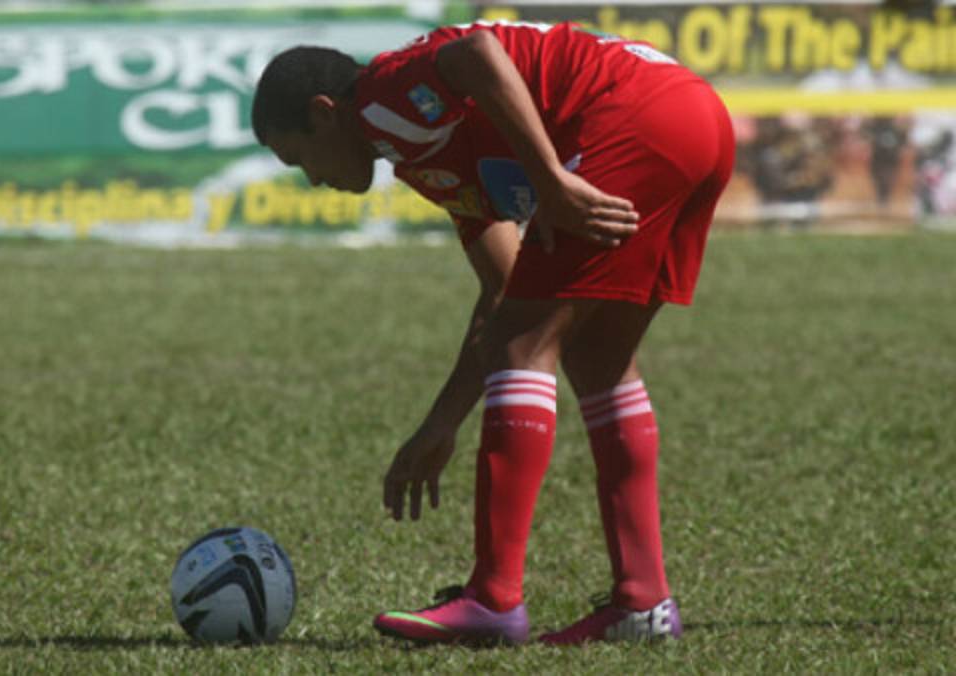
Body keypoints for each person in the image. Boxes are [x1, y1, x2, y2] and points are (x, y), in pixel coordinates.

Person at [252, 20, 734, 645]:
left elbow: (479, 55)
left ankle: (494, 599)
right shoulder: (425, 158)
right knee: (596, 355)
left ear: (324, 113)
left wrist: (553, 183)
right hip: (696, 118)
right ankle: (641, 602)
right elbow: (503, 294)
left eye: (299, 158)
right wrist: (442, 422)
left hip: (637, 113)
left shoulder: (378, 97)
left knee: (525, 345)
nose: (312, 178)